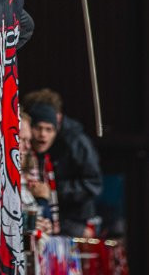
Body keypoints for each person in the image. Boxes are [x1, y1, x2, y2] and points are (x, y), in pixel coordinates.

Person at [23, 89, 103, 237]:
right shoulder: (34, 149)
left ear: (58, 119)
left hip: (74, 219)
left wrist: (53, 190)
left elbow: (93, 183)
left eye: (49, 129)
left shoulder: (76, 141)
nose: (43, 134)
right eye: (38, 127)